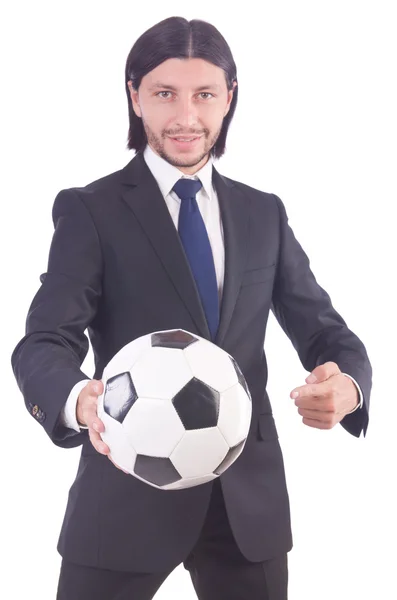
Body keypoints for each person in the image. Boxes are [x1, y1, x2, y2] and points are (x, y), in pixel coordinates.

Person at [11, 16, 372, 600]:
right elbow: (44, 342)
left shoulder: (264, 215)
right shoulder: (91, 210)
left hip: (246, 512)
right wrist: (81, 402)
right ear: (134, 96)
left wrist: (349, 386)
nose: (185, 117)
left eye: (204, 94)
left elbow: (330, 336)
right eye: (164, 94)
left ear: (229, 98)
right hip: (125, 496)